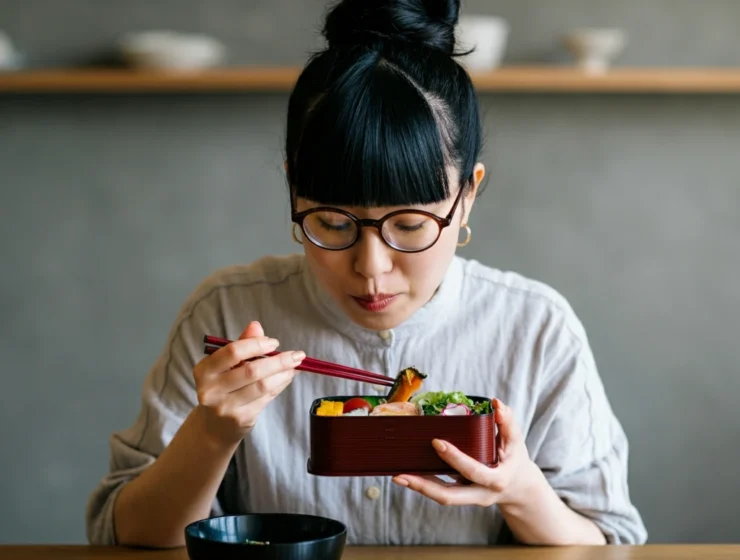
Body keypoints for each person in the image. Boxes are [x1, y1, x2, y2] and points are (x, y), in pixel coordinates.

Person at [86, 0, 647, 548]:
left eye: (408, 224)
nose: (371, 267)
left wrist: (522, 491)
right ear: (292, 190)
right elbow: (122, 531)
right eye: (331, 222)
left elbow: (611, 540)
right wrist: (213, 432)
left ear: (468, 196)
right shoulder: (228, 313)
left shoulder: (537, 329)